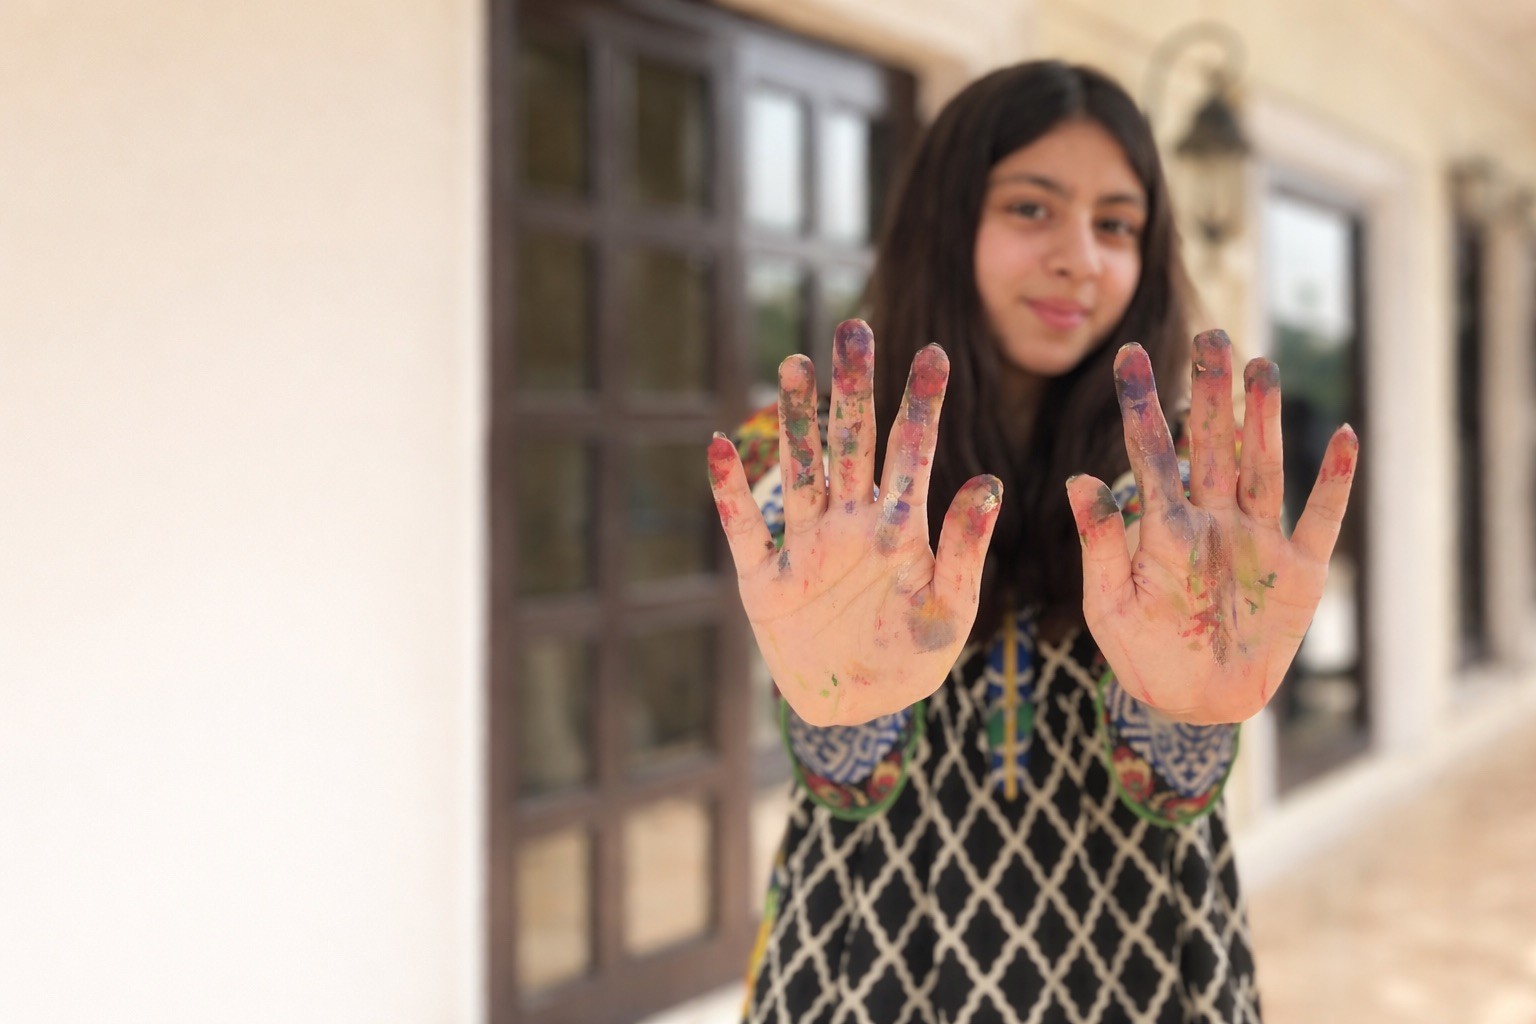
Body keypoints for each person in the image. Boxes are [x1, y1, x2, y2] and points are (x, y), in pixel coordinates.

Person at [706, 60, 1358, 1024]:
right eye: (1030, 209)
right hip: (873, 957)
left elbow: (1177, 786)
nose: (1080, 258)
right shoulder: (818, 477)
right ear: (947, 220)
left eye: (1116, 224)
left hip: (1144, 962)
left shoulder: (1189, 492)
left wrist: (1190, 713)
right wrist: (843, 708)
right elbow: (841, 775)